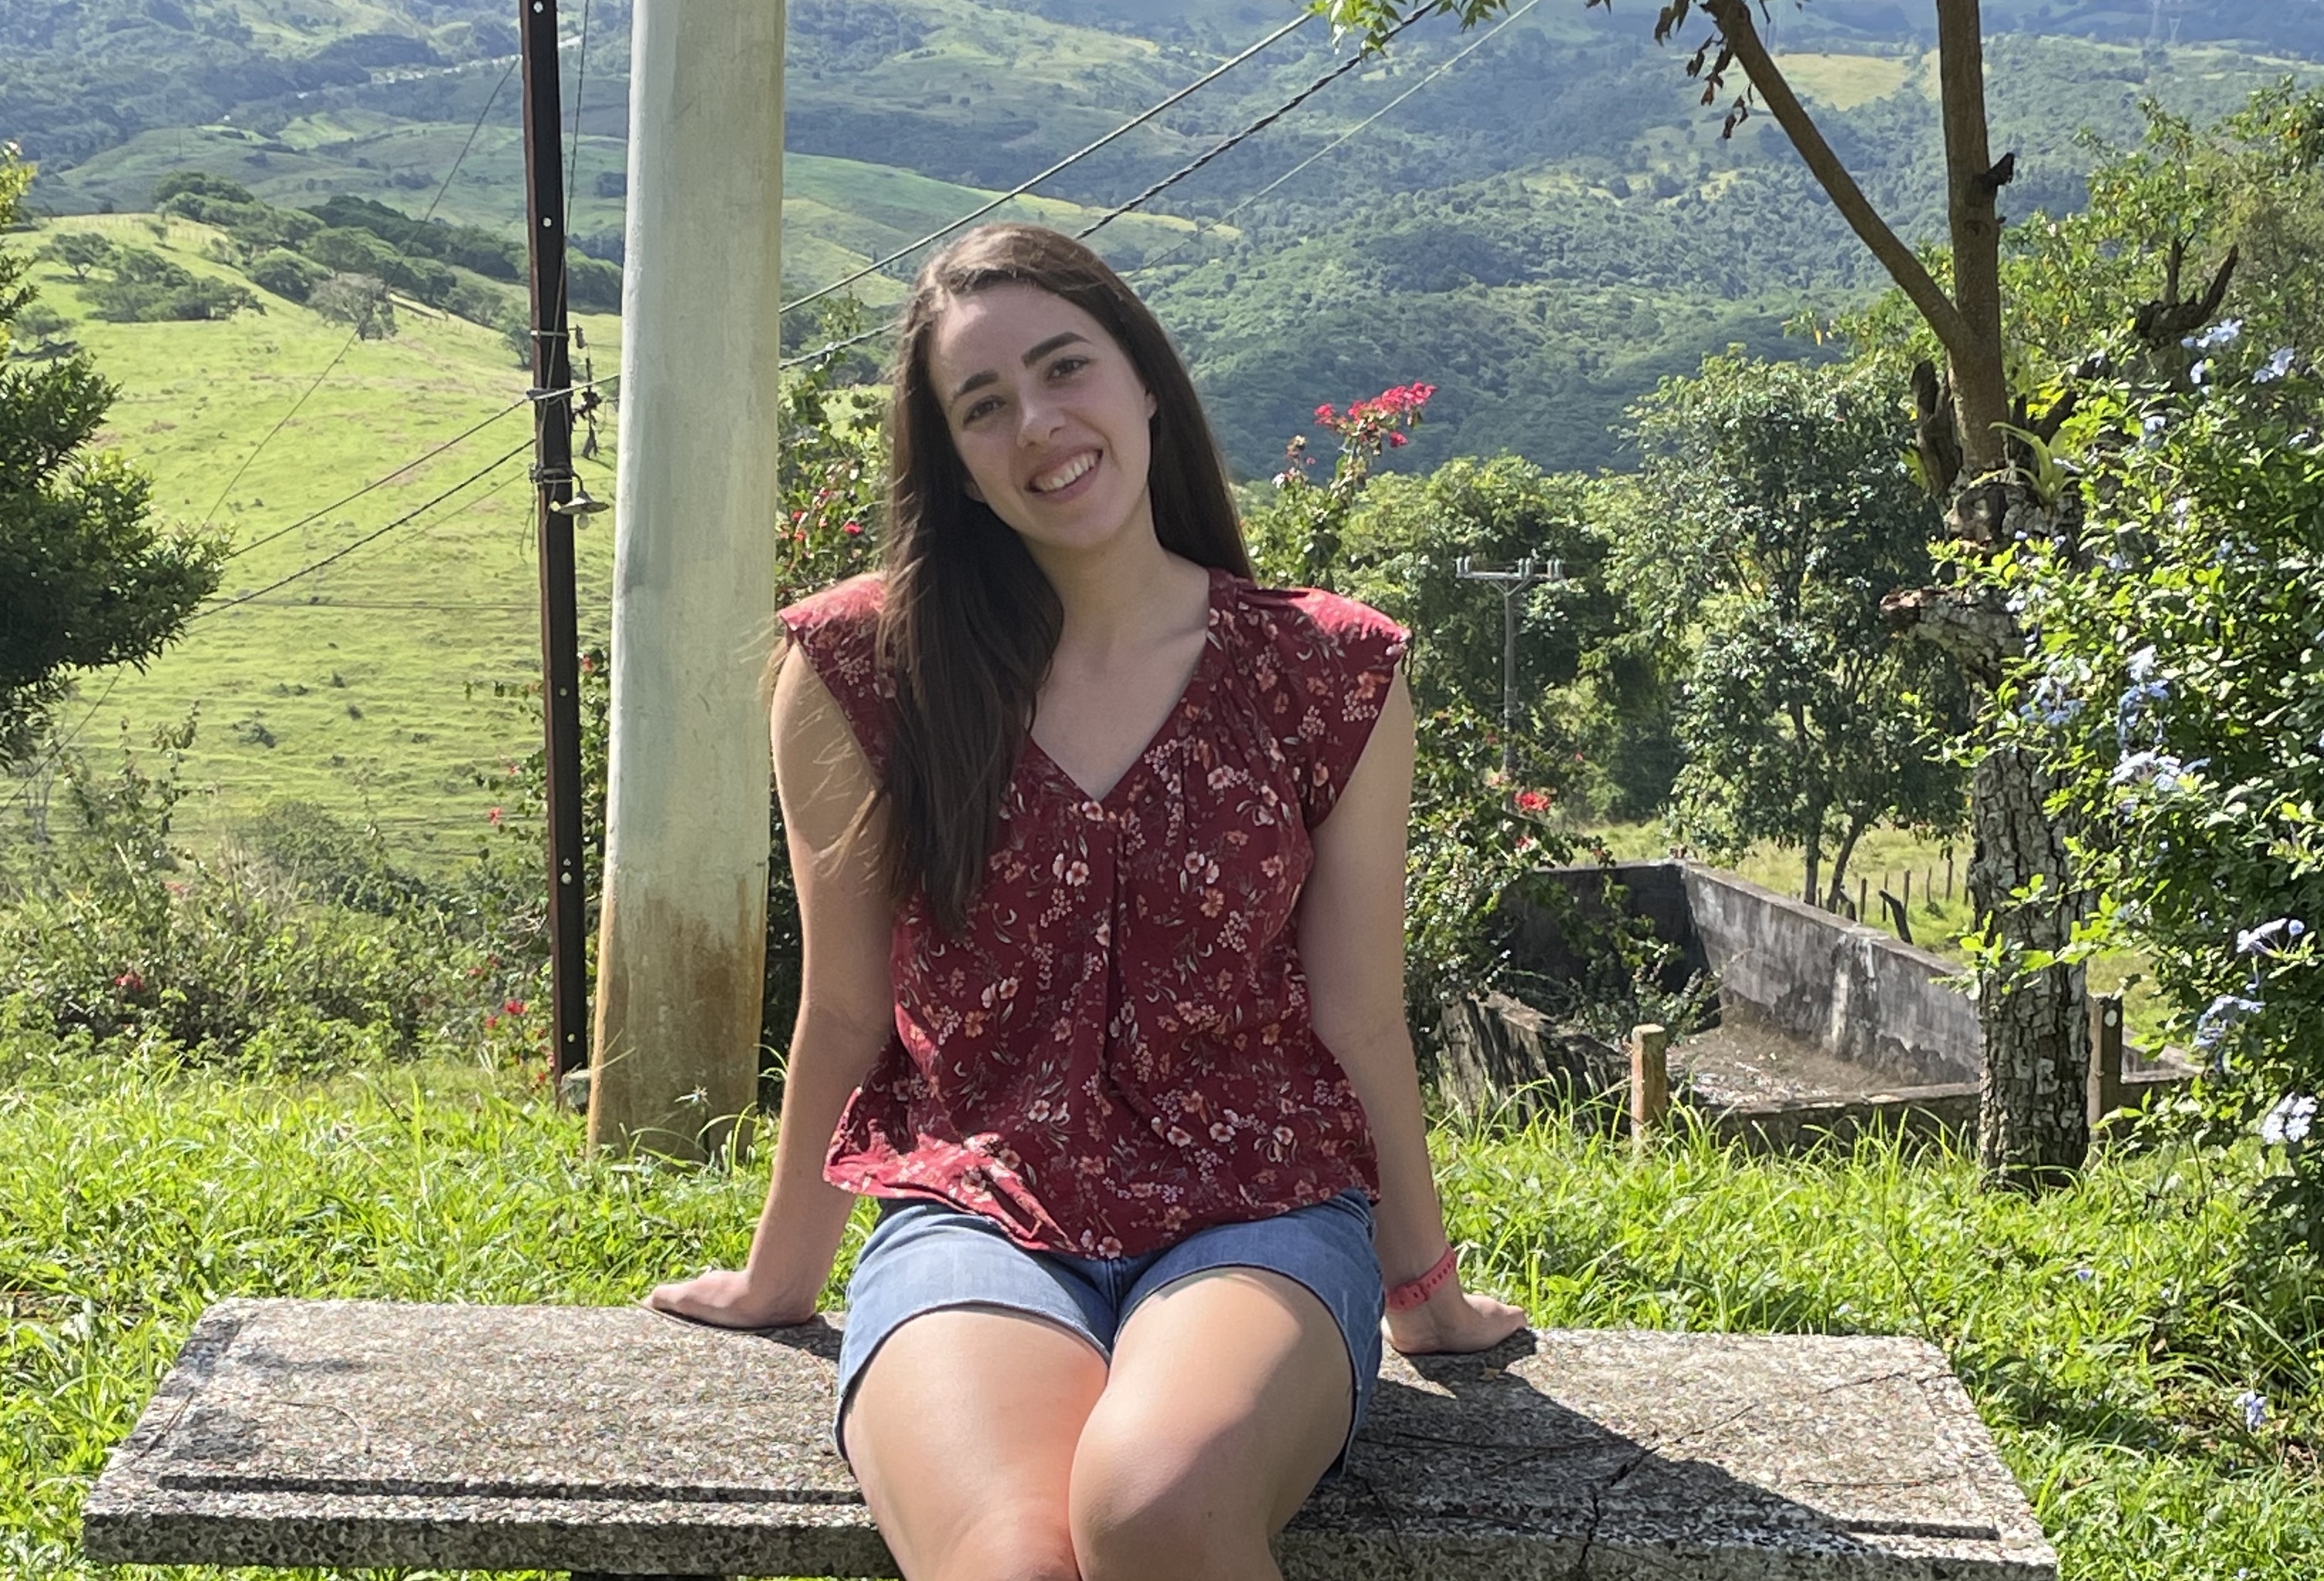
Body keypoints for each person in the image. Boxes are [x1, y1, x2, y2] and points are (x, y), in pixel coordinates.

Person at [648, 223, 1525, 1581]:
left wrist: (1425, 1292)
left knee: (1156, 1503)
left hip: (1266, 1210)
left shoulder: (1324, 673)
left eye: (1067, 369)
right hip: (973, 1209)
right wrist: (782, 1277)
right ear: (958, 464)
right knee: (1013, 1560)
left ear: (1146, 383)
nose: (1039, 425)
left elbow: (1359, 1017)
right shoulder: (862, 672)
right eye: (983, 406)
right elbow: (846, 1009)